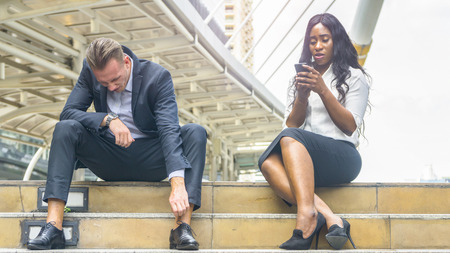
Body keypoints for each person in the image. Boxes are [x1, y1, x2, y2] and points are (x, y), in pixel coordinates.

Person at [27, 38, 207, 250]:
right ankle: (53, 226)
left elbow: (169, 130)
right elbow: (68, 112)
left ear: (127, 62)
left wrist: (177, 185)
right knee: (65, 128)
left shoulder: (157, 77)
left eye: (115, 79)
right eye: (104, 83)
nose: (111, 87)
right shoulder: (90, 71)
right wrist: (107, 120)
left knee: (195, 132)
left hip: (151, 159)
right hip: (109, 156)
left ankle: (181, 228)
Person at [258, 13, 370, 250]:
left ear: (336, 41)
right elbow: (292, 125)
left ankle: (307, 216)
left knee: (287, 140)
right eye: (312, 40)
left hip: (342, 157)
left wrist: (323, 89)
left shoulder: (355, 76)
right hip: (306, 160)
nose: (317, 46)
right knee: (267, 163)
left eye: (324, 39)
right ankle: (327, 216)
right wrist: (302, 96)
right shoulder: (304, 75)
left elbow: (350, 126)